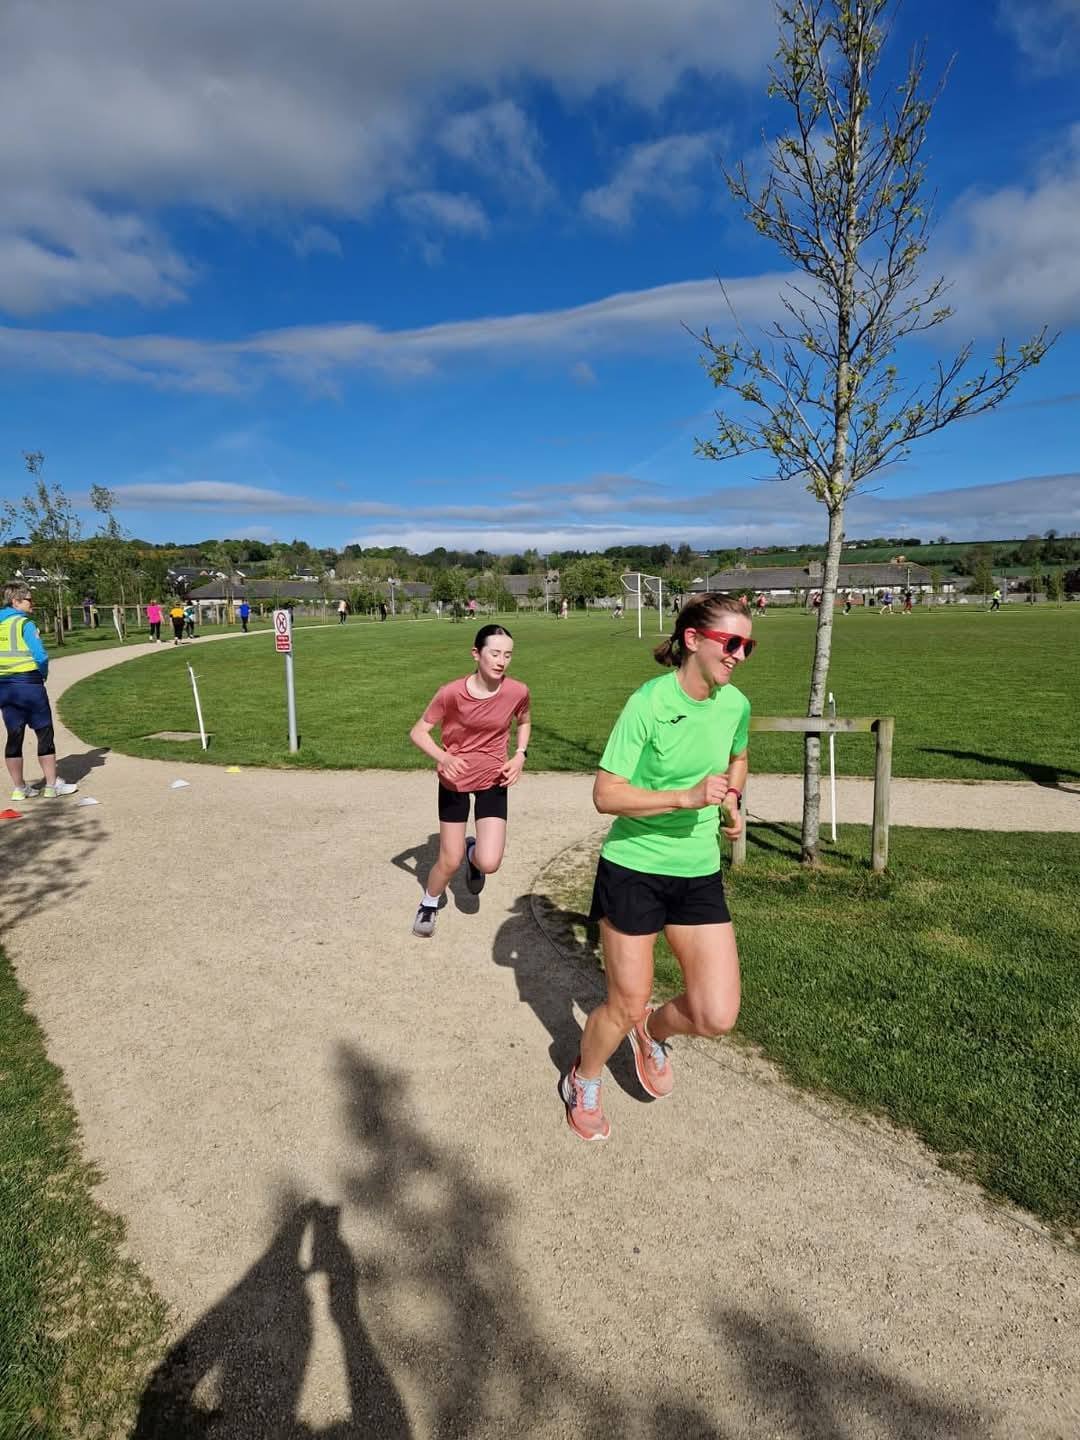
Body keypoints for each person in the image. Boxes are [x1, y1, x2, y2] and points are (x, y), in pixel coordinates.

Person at [559, 593, 752, 1142]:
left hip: (697, 872)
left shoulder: (735, 705)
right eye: (731, 642)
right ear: (693, 640)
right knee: (623, 1003)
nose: (739, 655)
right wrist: (684, 798)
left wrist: (731, 800)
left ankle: (652, 1031)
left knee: (716, 1014)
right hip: (634, 869)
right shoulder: (648, 702)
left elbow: (738, 758)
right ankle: (583, 1078)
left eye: (748, 646)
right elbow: (606, 794)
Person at [408, 624, 531, 938]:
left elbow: (524, 721)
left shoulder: (517, 691)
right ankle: (429, 902)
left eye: (508, 655)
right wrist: (444, 758)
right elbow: (418, 732)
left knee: (489, 862)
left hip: (494, 779)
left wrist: (520, 755)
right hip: (455, 782)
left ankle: (474, 856)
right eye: (495, 653)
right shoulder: (451, 693)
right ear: (476, 654)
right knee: (450, 860)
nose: (501, 661)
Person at [0, 583, 78, 800]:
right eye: (29, 599)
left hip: (5, 687)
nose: (32, 603)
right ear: (16, 601)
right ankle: (52, 786)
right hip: (29, 683)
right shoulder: (24, 624)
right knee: (44, 732)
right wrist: (42, 674)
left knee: (14, 735)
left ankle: (19, 788)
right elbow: (40, 656)